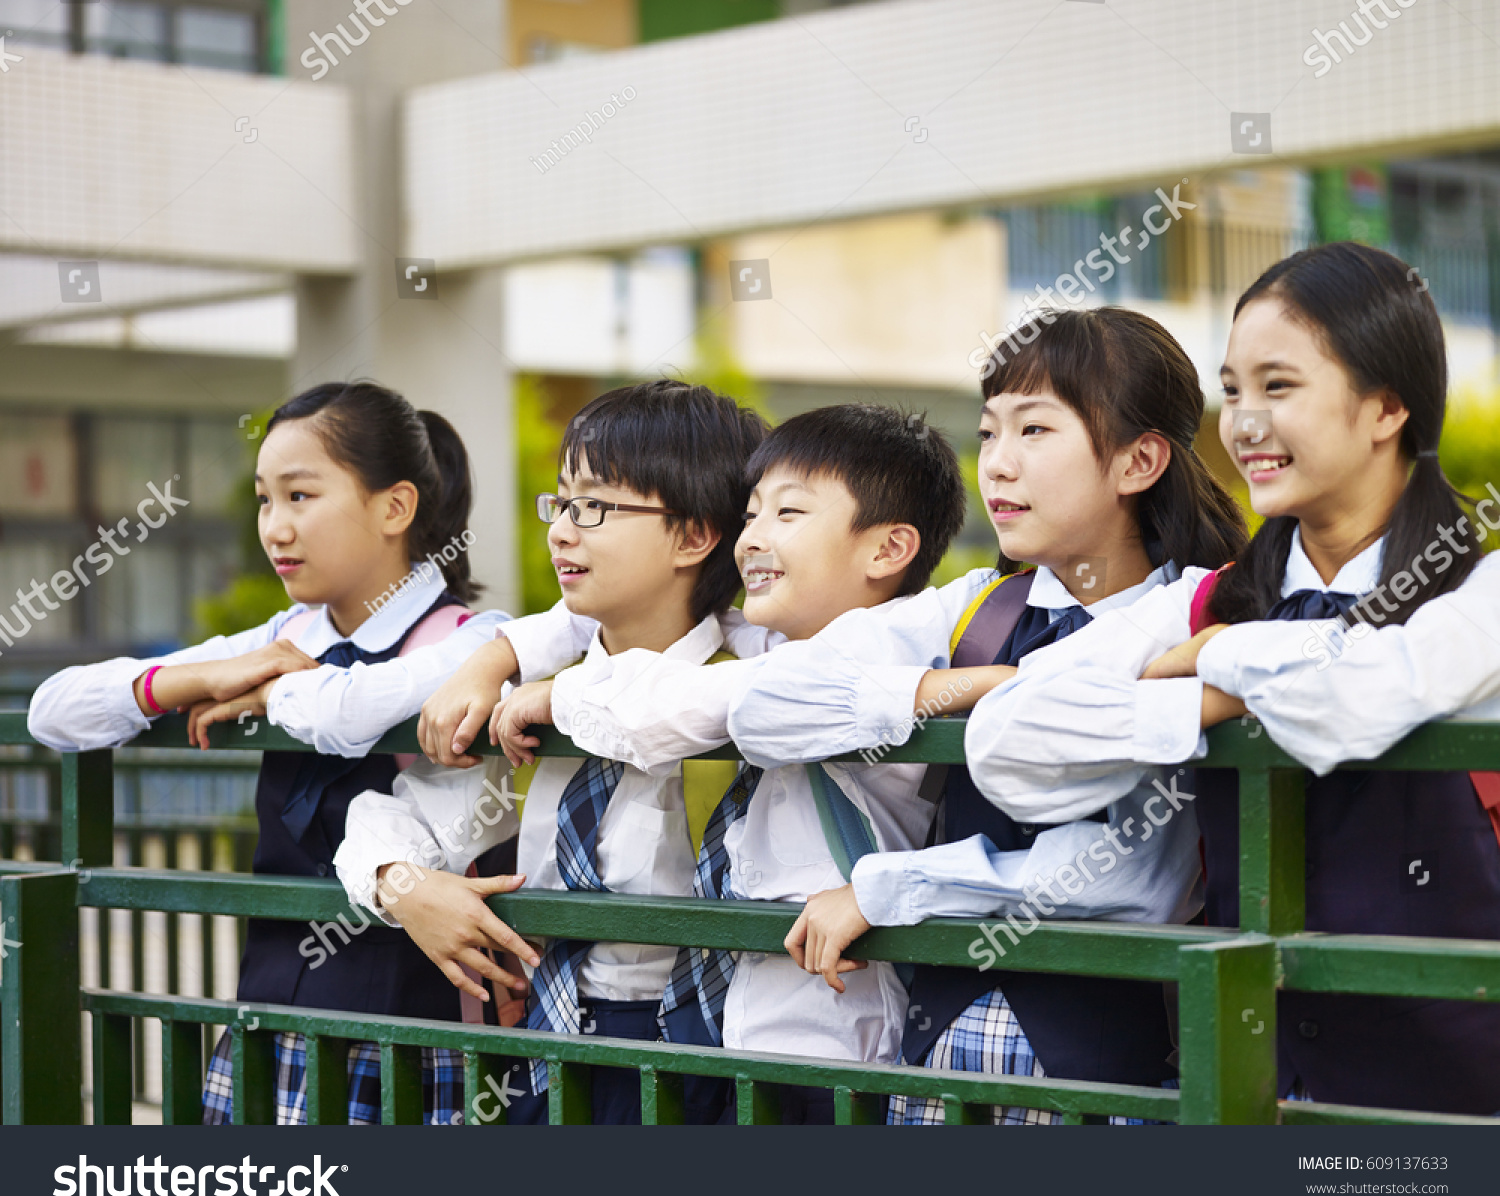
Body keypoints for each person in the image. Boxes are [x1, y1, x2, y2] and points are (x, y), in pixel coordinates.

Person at [977, 242, 1500, 1116]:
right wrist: (1206, 702)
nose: (1245, 422)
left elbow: (1361, 695)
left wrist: (1215, 659)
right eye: (1232, 391)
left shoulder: (1477, 591)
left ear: (1387, 406)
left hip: (1456, 1103)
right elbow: (1007, 738)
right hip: (1253, 1092)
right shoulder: (1213, 596)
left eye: (1279, 386)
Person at [729, 308, 1248, 1123]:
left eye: (1034, 430)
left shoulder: (1194, 614)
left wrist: (894, 888)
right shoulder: (979, 609)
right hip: (936, 1056)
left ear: (1139, 459)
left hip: (1100, 1074)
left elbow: (1134, 879)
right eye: (989, 433)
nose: (997, 466)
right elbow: (760, 705)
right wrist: (942, 690)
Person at [28, 381, 499, 1124]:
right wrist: (197, 676)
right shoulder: (288, 634)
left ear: (395, 507)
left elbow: (352, 713)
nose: (274, 527)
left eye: (300, 496)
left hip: (410, 1030)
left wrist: (272, 692)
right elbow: (52, 711)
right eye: (263, 500)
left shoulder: (472, 641)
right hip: (269, 1014)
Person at [489, 402, 970, 1123]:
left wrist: (553, 693)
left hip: (825, 1045)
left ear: (887, 549)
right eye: (751, 514)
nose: (754, 538)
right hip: (728, 1036)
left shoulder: (883, 640)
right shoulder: (761, 652)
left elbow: (686, 704)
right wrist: (501, 655)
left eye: (789, 512)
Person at [334, 379, 772, 1124]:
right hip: (547, 1038)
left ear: (695, 535)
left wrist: (536, 677)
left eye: (594, 507)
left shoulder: (750, 683)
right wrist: (403, 885)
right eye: (560, 504)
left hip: (714, 1048)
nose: (562, 531)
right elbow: (399, 817)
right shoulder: (530, 695)